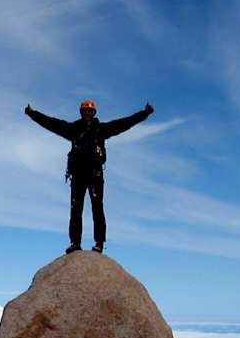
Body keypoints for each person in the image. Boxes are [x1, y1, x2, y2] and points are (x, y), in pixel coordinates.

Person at [25, 99, 153, 254]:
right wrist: (33, 114)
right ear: (81, 112)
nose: (87, 113)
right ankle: (75, 243)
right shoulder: (73, 129)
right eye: (85, 110)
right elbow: (51, 123)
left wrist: (144, 114)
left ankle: (99, 243)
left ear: (94, 113)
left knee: (97, 209)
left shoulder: (101, 129)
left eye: (90, 111)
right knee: (75, 210)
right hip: (78, 175)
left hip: (95, 175)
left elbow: (124, 123)